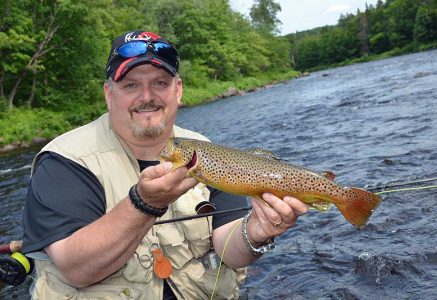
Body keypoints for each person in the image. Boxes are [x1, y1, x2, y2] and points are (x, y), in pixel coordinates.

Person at [21, 30, 308, 299]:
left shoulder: (208, 152)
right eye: (131, 85)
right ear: (109, 94)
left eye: (159, 83)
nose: (146, 97)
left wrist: (255, 234)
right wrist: (143, 204)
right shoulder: (64, 161)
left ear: (178, 90)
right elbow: (77, 269)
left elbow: (228, 249)